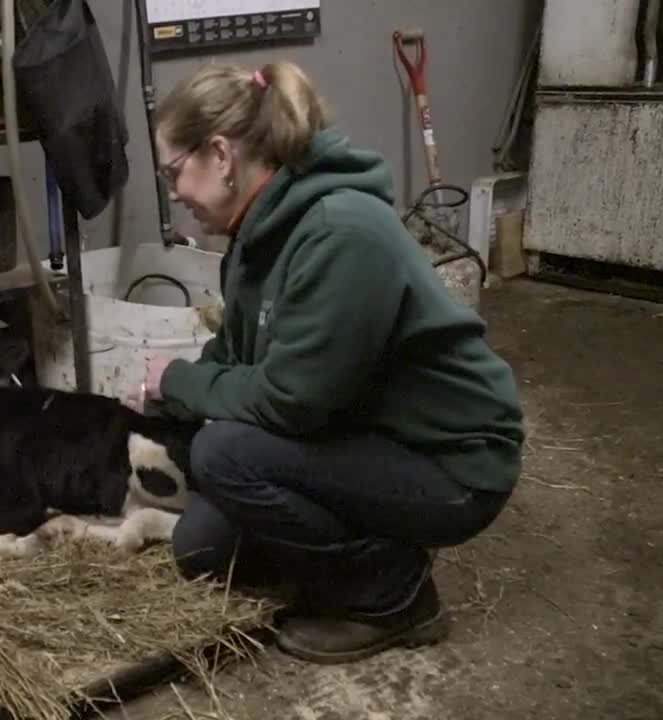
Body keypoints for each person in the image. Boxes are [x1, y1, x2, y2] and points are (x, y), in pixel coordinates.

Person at [132, 62, 524, 665]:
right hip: (366, 431)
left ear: (220, 154)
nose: (174, 192)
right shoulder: (256, 235)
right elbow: (237, 353)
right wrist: (173, 392)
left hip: (452, 460)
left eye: (172, 171)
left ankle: (396, 595)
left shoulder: (341, 232)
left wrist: (182, 381)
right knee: (202, 549)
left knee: (224, 455)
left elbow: (290, 401)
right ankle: (358, 538)